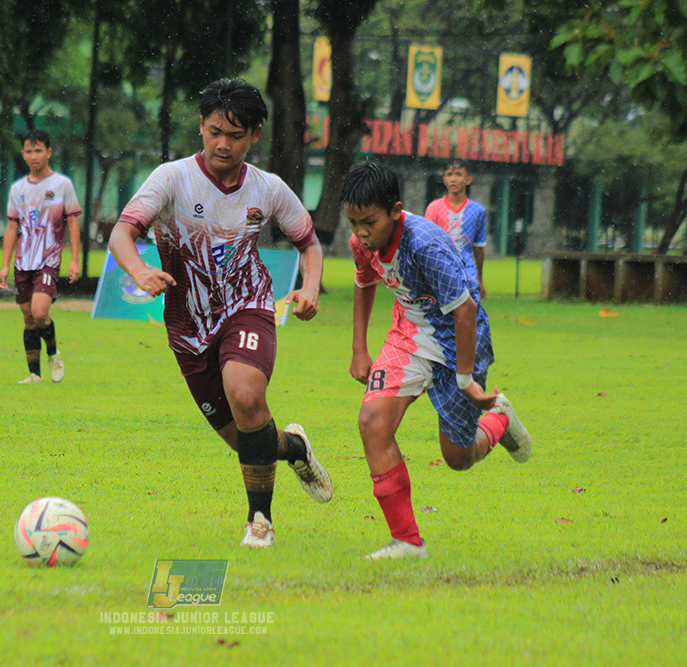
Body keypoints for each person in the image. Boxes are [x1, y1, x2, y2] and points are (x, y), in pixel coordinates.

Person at [108, 78, 333, 548]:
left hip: (246, 306)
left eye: (235, 135)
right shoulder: (172, 178)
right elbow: (122, 234)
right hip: (188, 327)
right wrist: (139, 270)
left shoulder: (267, 188)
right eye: (214, 132)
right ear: (201, 128)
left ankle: (260, 522)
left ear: (254, 135)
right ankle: (293, 447)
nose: (223, 144)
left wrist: (309, 288)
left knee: (246, 394)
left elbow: (309, 243)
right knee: (247, 440)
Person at [343, 161, 531, 560]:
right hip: (408, 336)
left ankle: (499, 418)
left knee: (457, 458)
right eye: (353, 221)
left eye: (369, 222)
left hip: (457, 342)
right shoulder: (361, 240)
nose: (360, 232)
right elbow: (364, 282)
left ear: (395, 211)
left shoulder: (425, 244)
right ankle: (408, 542)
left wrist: (466, 380)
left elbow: (464, 312)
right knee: (371, 422)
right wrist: (359, 348)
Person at [0, 129, 82, 384]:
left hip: (49, 259)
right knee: (27, 317)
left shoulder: (62, 185)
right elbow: (12, 227)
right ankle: (34, 375)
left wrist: (75, 259)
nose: (34, 156)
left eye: (38, 150)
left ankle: (53, 352)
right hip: (23, 261)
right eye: (29, 151)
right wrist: (4, 265)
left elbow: (73, 222)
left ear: (48, 152)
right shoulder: (17, 189)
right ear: (23, 154)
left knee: (39, 312)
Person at [424, 158, 487, 300]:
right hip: (439, 272)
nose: (453, 179)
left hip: (468, 274)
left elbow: (478, 247)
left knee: (470, 316)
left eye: (458, 174)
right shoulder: (434, 208)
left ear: (468, 179)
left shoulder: (478, 211)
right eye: (449, 174)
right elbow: (426, 245)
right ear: (444, 179)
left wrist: (480, 280)